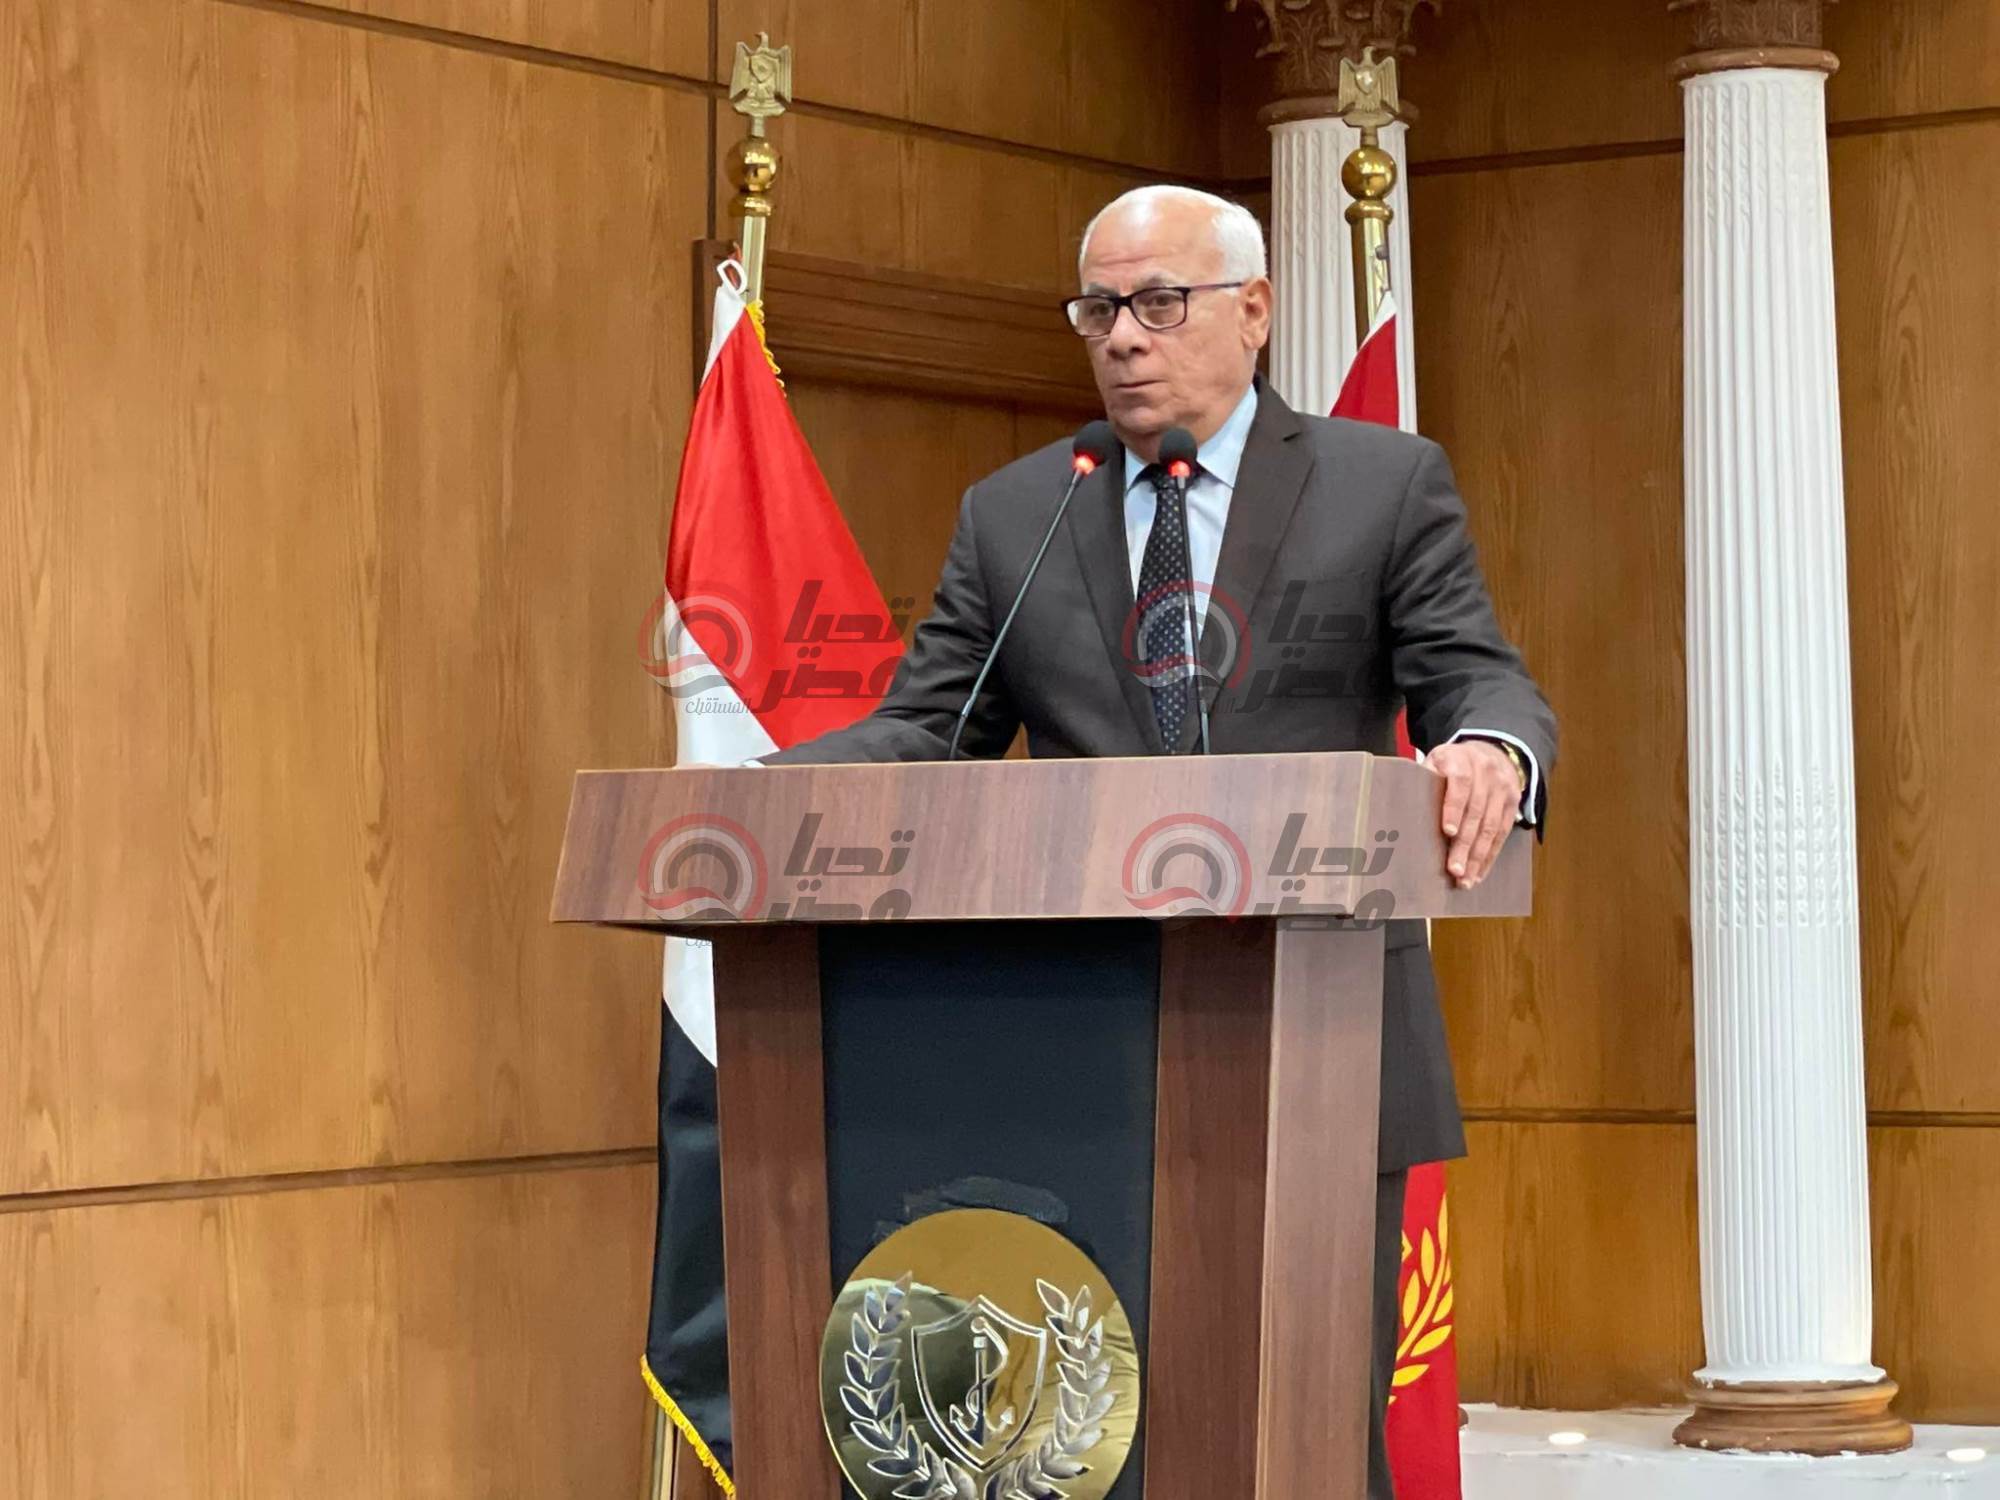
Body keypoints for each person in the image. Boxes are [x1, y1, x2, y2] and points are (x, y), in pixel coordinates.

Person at [767, 183, 1557, 1500]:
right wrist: (760, 793)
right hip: (1077, 1043)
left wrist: (1490, 748)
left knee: (1305, 1431)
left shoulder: (1379, 484)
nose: (1125, 336)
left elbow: (1476, 674)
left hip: (1322, 1034)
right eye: (1099, 309)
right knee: (1098, 1442)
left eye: (1159, 303)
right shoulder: (1020, 512)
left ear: (1254, 311)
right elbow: (929, 729)